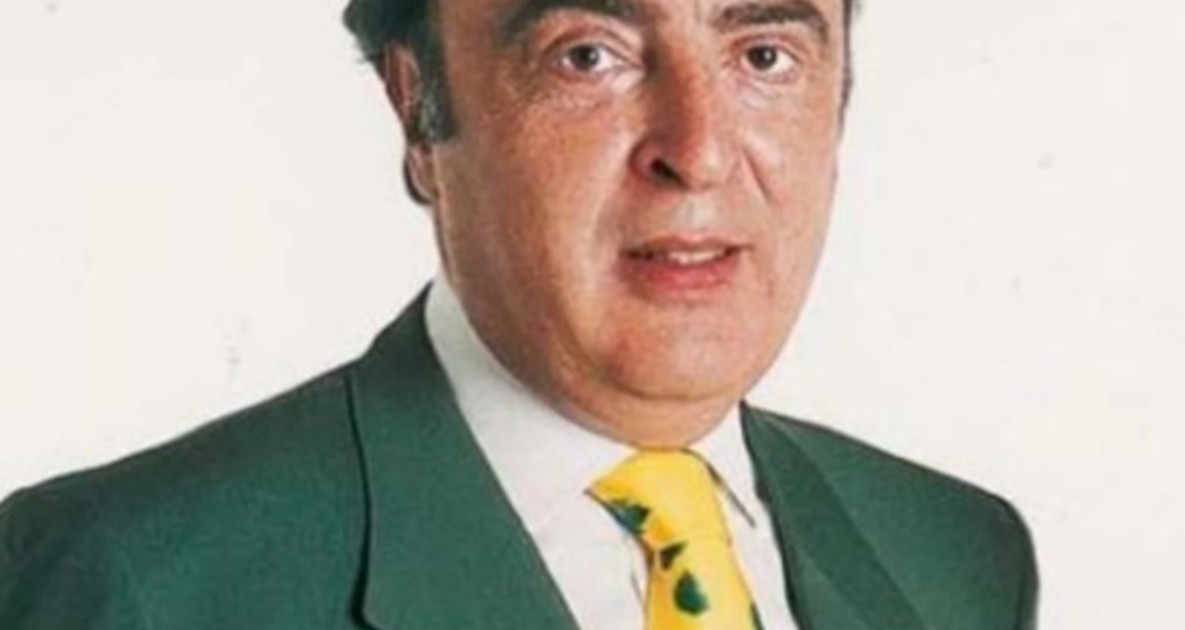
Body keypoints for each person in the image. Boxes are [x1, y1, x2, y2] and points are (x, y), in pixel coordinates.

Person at [0, 0, 1038, 628]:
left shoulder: (957, 557)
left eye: (764, 54)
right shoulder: (128, 583)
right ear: (417, 108)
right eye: (588, 54)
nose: (699, 150)